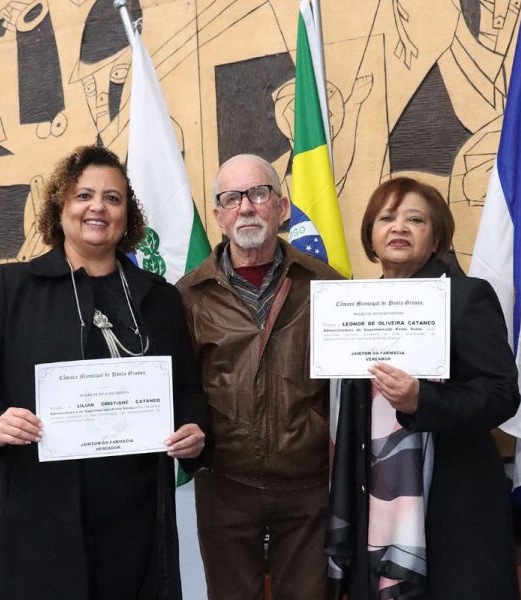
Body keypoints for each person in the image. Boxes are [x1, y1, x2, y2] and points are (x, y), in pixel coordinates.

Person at [0, 145, 208, 600]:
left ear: (128, 215)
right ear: (60, 206)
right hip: (39, 515)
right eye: (84, 195)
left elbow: (185, 387)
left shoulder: (158, 297)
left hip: (138, 519)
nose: (97, 208)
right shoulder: (13, 289)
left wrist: (195, 430)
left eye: (113, 198)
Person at [326, 177, 520, 599]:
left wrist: (422, 402)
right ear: (371, 238)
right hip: (374, 504)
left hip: (452, 508)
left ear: (436, 240)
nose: (399, 227)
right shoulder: (352, 310)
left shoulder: (467, 297)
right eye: (387, 218)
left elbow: (502, 394)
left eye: (416, 219)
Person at [176, 153, 341, 600]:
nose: (246, 206)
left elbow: (349, 391)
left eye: (259, 193)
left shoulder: (329, 286)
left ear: (282, 206)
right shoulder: (188, 298)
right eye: (231, 198)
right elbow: (180, 388)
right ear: (218, 216)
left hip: (308, 488)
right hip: (225, 486)